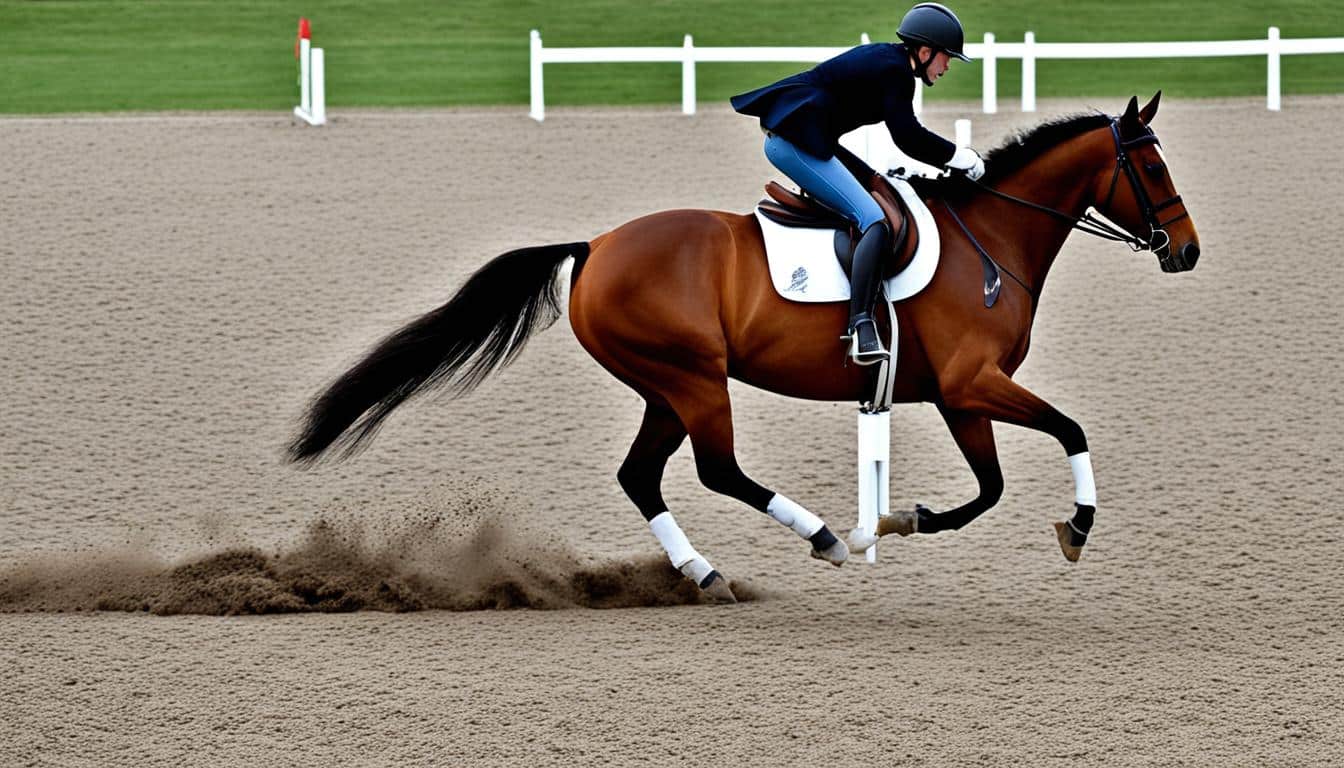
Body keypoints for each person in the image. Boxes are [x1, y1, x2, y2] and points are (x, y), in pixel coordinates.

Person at [731, 2, 985, 365]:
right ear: (925, 51)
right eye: (947, 58)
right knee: (874, 221)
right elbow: (909, 137)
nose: (947, 67)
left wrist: (872, 177)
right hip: (795, 143)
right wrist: (962, 158)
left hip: (809, 139)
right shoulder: (895, 72)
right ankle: (861, 327)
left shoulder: (890, 63)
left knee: (876, 188)